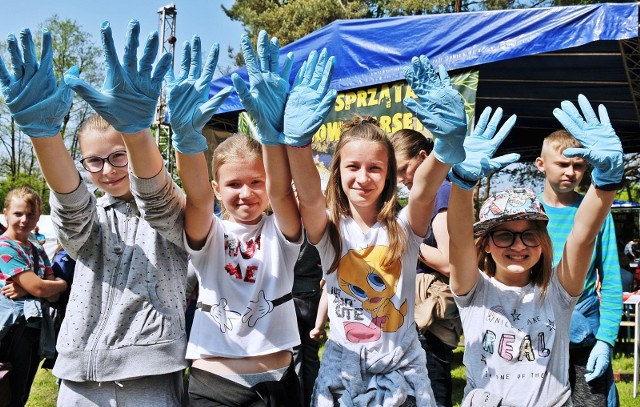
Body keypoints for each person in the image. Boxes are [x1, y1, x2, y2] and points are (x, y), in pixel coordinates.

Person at [0, 22, 189, 405]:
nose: (108, 169)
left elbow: (156, 197)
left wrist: (137, 132)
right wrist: (44, 135)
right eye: (94, 161)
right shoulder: (92, 215)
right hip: (77, 376)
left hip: (147, 377)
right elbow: (72, 210)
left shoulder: (172, 207)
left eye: (119, 155)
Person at [285, 54, 468, 406]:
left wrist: (445, 148)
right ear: (337, 171)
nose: (363, 177)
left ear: (388, 176)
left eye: (375, 168)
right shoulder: (330, 230)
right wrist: (298, 146)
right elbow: (308, 196)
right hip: (342, 378)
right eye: (353, 166)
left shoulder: (404, 229)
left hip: (405, 378)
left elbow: (425, 190)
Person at [447, 94, 623, 406]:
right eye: (504, 235)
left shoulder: (557, 292)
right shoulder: (474, 291)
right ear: (485, 243)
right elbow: (459, 237)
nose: (518, 245)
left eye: (529, 235)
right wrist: (462, 183)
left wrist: (605, 182)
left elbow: (582, 237)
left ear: (543, 243)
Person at [166, 32, 312, 405]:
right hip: (215, 384)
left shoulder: (280, 232)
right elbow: (196, 199)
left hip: (279, 380)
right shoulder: (209, 231)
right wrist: (186, 139)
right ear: (217, 189)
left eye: (255, 182)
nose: (245, 193)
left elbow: (282, 192)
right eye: (233, 184)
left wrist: (269, 133)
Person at [536, 129, 622, 406]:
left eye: (579, 165)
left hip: (584, 339)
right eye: (562, 163)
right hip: (535, 337)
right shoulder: (526, 211)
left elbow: (610, 280)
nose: (571, 172)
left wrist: (606, 341)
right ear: (541, 164)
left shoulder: (597, 210)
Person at [391, 129, 461, 407]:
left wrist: (402, 239)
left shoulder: (441, 191)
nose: (400, 179)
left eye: (403, 169)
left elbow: (448, 261)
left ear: (423, 157)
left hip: (430, 314)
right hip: (420, 309)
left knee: (431, 388)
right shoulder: (433, 194)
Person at [0, 187, 66, 407]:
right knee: (7, 393)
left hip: (34, 330)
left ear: (38, 215)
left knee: (21, 394)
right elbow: (43, 288)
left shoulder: (36, 247)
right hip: (11, 332)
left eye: (30, 214)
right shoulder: (4, 247)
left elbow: (54, 295)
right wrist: (58, 284)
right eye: (18, 213)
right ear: (6, 213)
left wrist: (30, 288)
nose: (24, 220)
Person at [291, 236, 323, 406]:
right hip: (314, 293)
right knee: (311, 355)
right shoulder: (315, 221)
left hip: (291, 293)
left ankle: (298, 401)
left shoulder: (285, 222)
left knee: (294, 356)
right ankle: (314, 400)